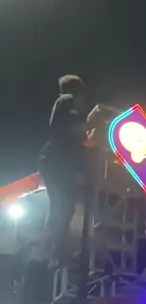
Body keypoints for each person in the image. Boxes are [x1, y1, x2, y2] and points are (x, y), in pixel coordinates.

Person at [39, 75, 88, 264]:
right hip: (58, 163)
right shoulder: (67, 100)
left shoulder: (62, 103)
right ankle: (54, 253)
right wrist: (91, 129)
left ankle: (53, 252)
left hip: (54, 162)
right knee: (62, 207)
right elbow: (70, 131)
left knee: (61, 207)